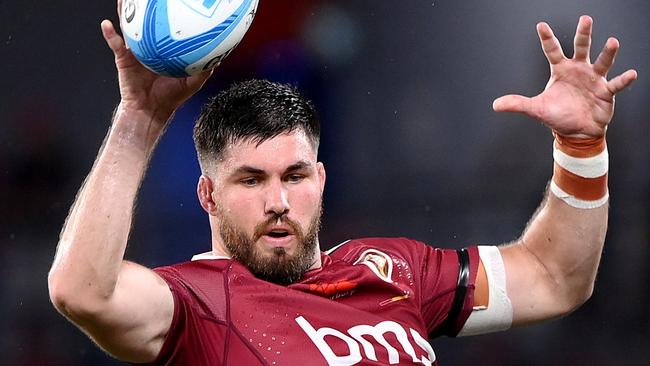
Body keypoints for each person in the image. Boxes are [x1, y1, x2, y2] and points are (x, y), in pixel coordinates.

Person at [47, 5, 637, 365]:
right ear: (208, 196)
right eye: (250, 180)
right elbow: (82, 293)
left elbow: (557, 278)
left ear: (321, 180)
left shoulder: (394, 272)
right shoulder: (199, 303)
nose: (278, 202)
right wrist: (137, 121)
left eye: (295, 175)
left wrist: (581, 150)